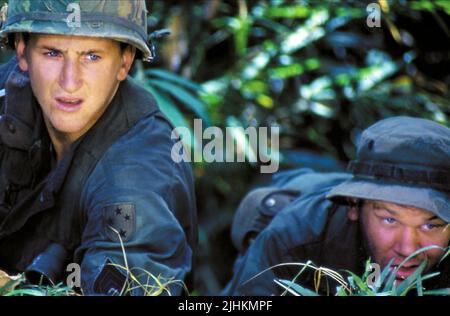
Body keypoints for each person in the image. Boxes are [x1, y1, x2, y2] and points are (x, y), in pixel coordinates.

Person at [0, 0, 197, 295]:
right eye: (52, 53)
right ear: (21, 51)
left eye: (92, 56)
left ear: (125, 62)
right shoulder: (10, 94)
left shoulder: (135, 176)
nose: (69, 82)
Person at [224, 116, 450, 295]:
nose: (409, 248)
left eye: (431, 226)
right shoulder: (293, 239)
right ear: (354, 206)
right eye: (390, 220)